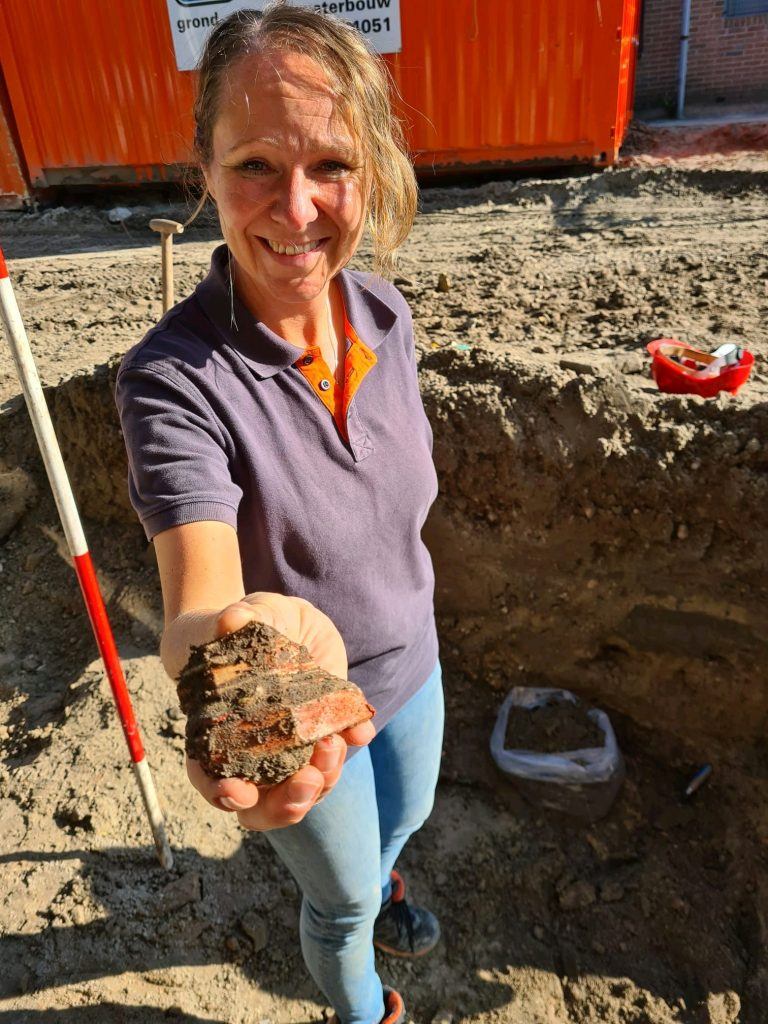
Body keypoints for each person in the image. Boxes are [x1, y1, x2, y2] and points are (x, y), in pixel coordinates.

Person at [116, 6, 443, 1024]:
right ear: (204, 169)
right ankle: (365, 1012)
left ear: (373, 167)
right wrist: (231, 659)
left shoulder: (387, 316)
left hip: (416, 663)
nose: (297, 209)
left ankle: (388, 872)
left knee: (408, 818)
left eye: (331, 165)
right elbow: (197, 598)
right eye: (255, 163)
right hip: (310, 721)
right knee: (338, 902)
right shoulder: (173, 381)